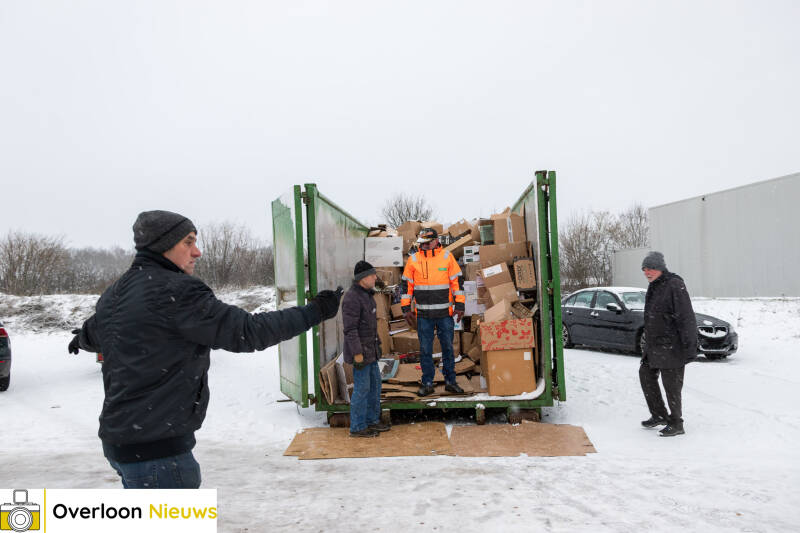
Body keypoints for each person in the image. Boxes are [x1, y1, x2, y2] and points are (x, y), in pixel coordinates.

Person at [67, 210, 342, 488]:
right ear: (162, 245)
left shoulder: (116, 292)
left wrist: (81, 340)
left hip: (120, 443)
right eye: (188, 242)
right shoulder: (177, 292)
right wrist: (315, 311)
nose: (197, 252)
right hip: (158, 452)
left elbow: (96, 330)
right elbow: (249, 332)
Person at [400, 228, 466, 397]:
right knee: (425, 350)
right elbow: (407, 287)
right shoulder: (413, 260)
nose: (425, 245)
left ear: (436, 241)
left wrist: (460, 305)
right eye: (423, 243)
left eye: (428, 242)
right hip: (423, 316)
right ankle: (427, 382)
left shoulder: (447, 257)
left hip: (445, 314)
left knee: (448, 349)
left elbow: (457, 284)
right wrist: (406, 308)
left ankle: (451, 382)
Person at [639, 251, 697, 437]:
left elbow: (686, 317)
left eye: (651, 268)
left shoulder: (675, 285)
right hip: (654, 345)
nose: (647, 272)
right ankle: (659, 415)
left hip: (672, 346)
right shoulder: (654, 286)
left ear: (661, 268)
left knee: (671, 386)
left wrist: (690, 346)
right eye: (645, 269)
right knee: (646, 376)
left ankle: (676, 423)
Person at [341, 261, 391, 437]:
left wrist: (377, 345)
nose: (375, 277)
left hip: (371, 351)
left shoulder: (367, 295)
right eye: (372, 275)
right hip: (361, 354)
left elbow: (370, 325)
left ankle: (372, 421)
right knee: (362, 389)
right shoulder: (352, 298)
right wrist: (357, 354)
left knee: (375, 386)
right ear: (362, 278)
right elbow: (350, 329)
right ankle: (357, 426)